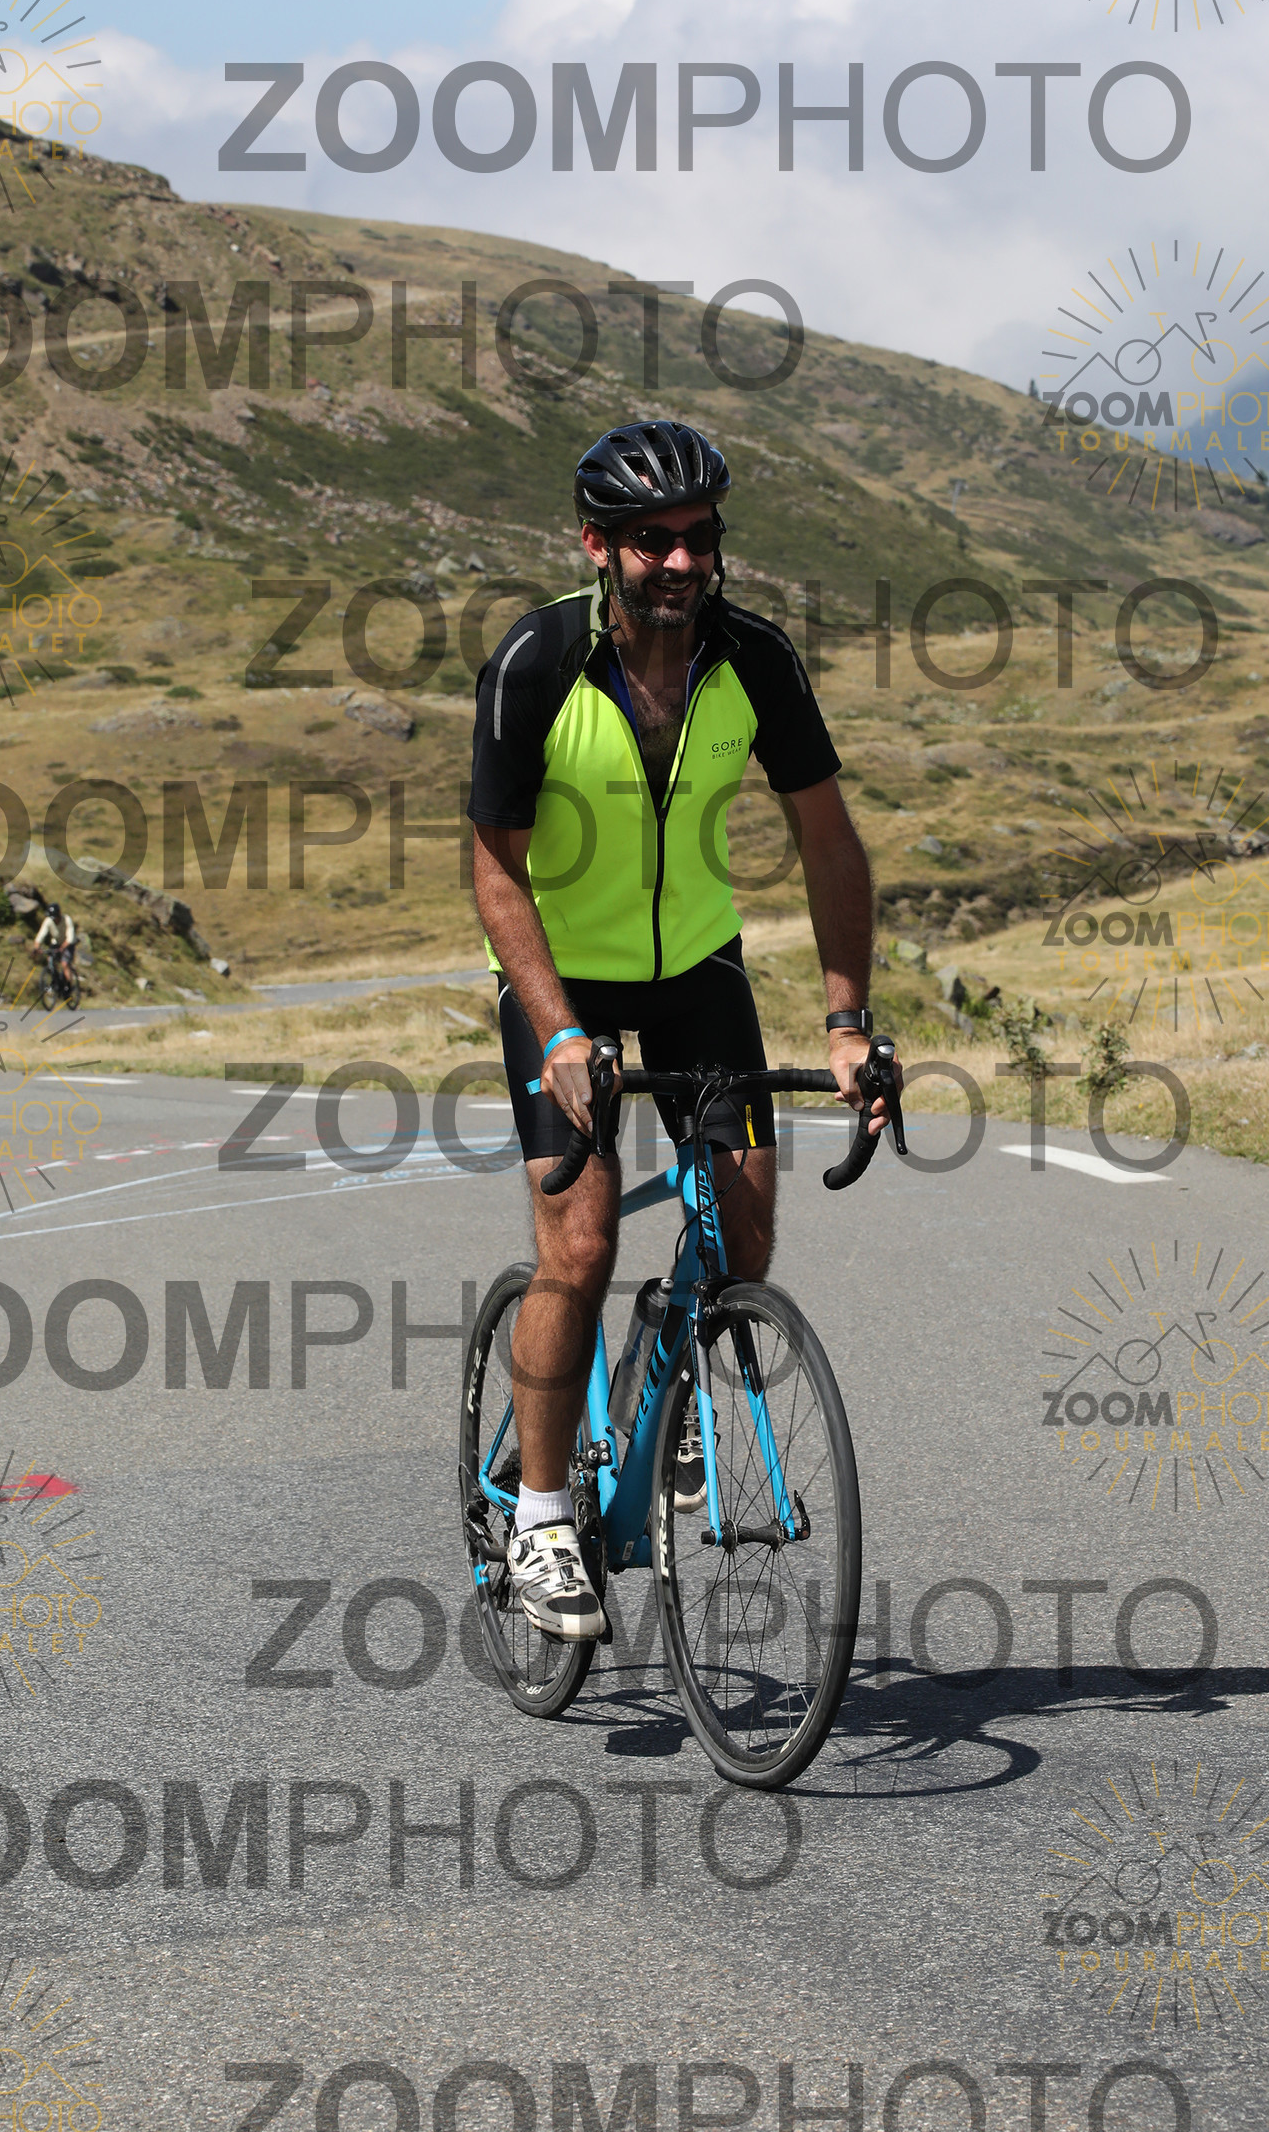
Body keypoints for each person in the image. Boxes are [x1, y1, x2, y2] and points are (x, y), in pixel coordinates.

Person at [469, 418, 902, 1642]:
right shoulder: (536, 662)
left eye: (697, 538)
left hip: (695, 970)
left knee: (743, 1234)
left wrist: (847, 1021)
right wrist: (560, 1034)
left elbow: (829, 842)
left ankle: (660, 1396)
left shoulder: (753, 660)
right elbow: (496, 871)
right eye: (650, 541)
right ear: (596, 546)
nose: (677, 562)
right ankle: (541, 1516)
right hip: (562, 979)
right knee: (582, 1240)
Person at [32, 900, 78, 994]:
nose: (54, 920)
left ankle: (68, 986)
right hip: (56, 942)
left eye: (55, 917)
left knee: (65, 964)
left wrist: (63, 947)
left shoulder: (67, 919)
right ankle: (55, 981)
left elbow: (70, 938)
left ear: (59, 914)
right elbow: (41, 935)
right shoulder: (48, 921)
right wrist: (36, 947)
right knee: (50, 960)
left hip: (68, 944)